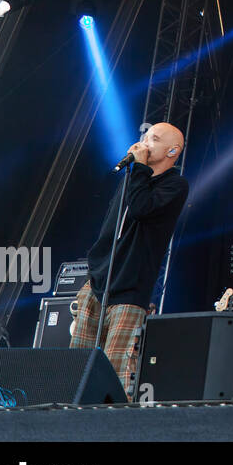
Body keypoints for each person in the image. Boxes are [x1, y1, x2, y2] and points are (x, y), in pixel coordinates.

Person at [71, 123, 189, 397]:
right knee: (78, 365)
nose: (145, 143)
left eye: (154, 139)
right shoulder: (132, 178)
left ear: (172, 151)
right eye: (145, 136)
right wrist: (96, 264)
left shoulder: (175, 185)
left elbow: (141, 208)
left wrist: (139, 169)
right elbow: (111, 226)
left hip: (130, 289)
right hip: (100, 279)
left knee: (115, 370)